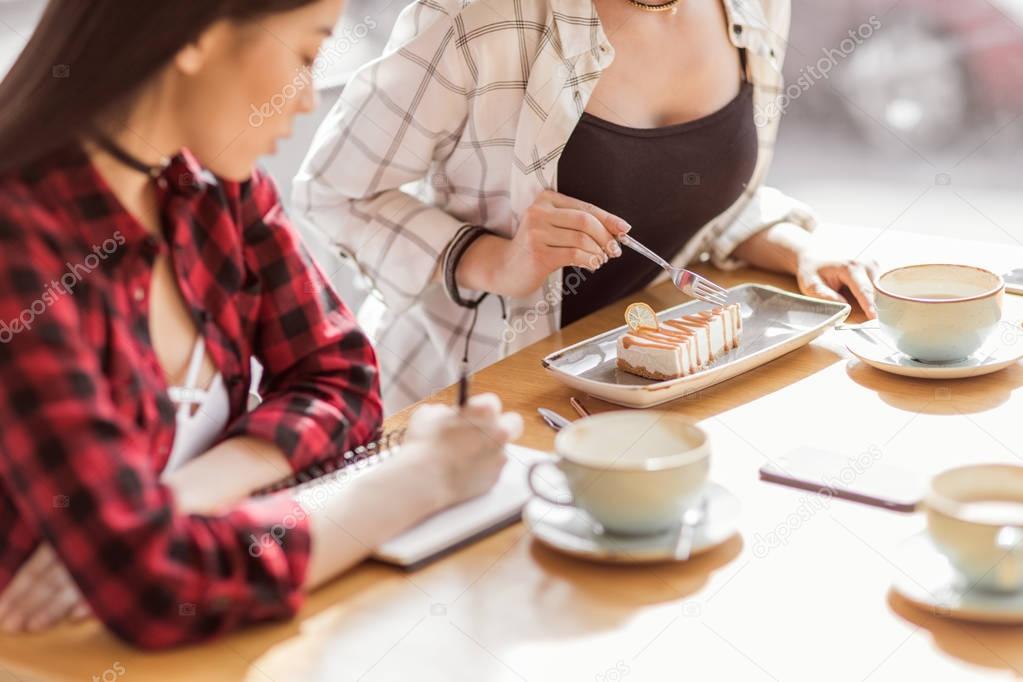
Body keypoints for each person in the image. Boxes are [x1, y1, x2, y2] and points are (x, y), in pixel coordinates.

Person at [0, 0, 521, 648]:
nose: (307, 100)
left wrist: (180, 499)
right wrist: (422, 477)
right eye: (307, 54)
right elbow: (156, 584)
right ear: (191, 37)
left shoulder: (212, 181)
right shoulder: (19, 246)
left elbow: (341, 374)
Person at [293, 0, 880, 411]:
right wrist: (499, 260)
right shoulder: (476, 17)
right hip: (474, 401)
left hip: (651, 389)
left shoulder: (752, 8)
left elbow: (683, 195)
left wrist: (800, 247)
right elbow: (333, 192)